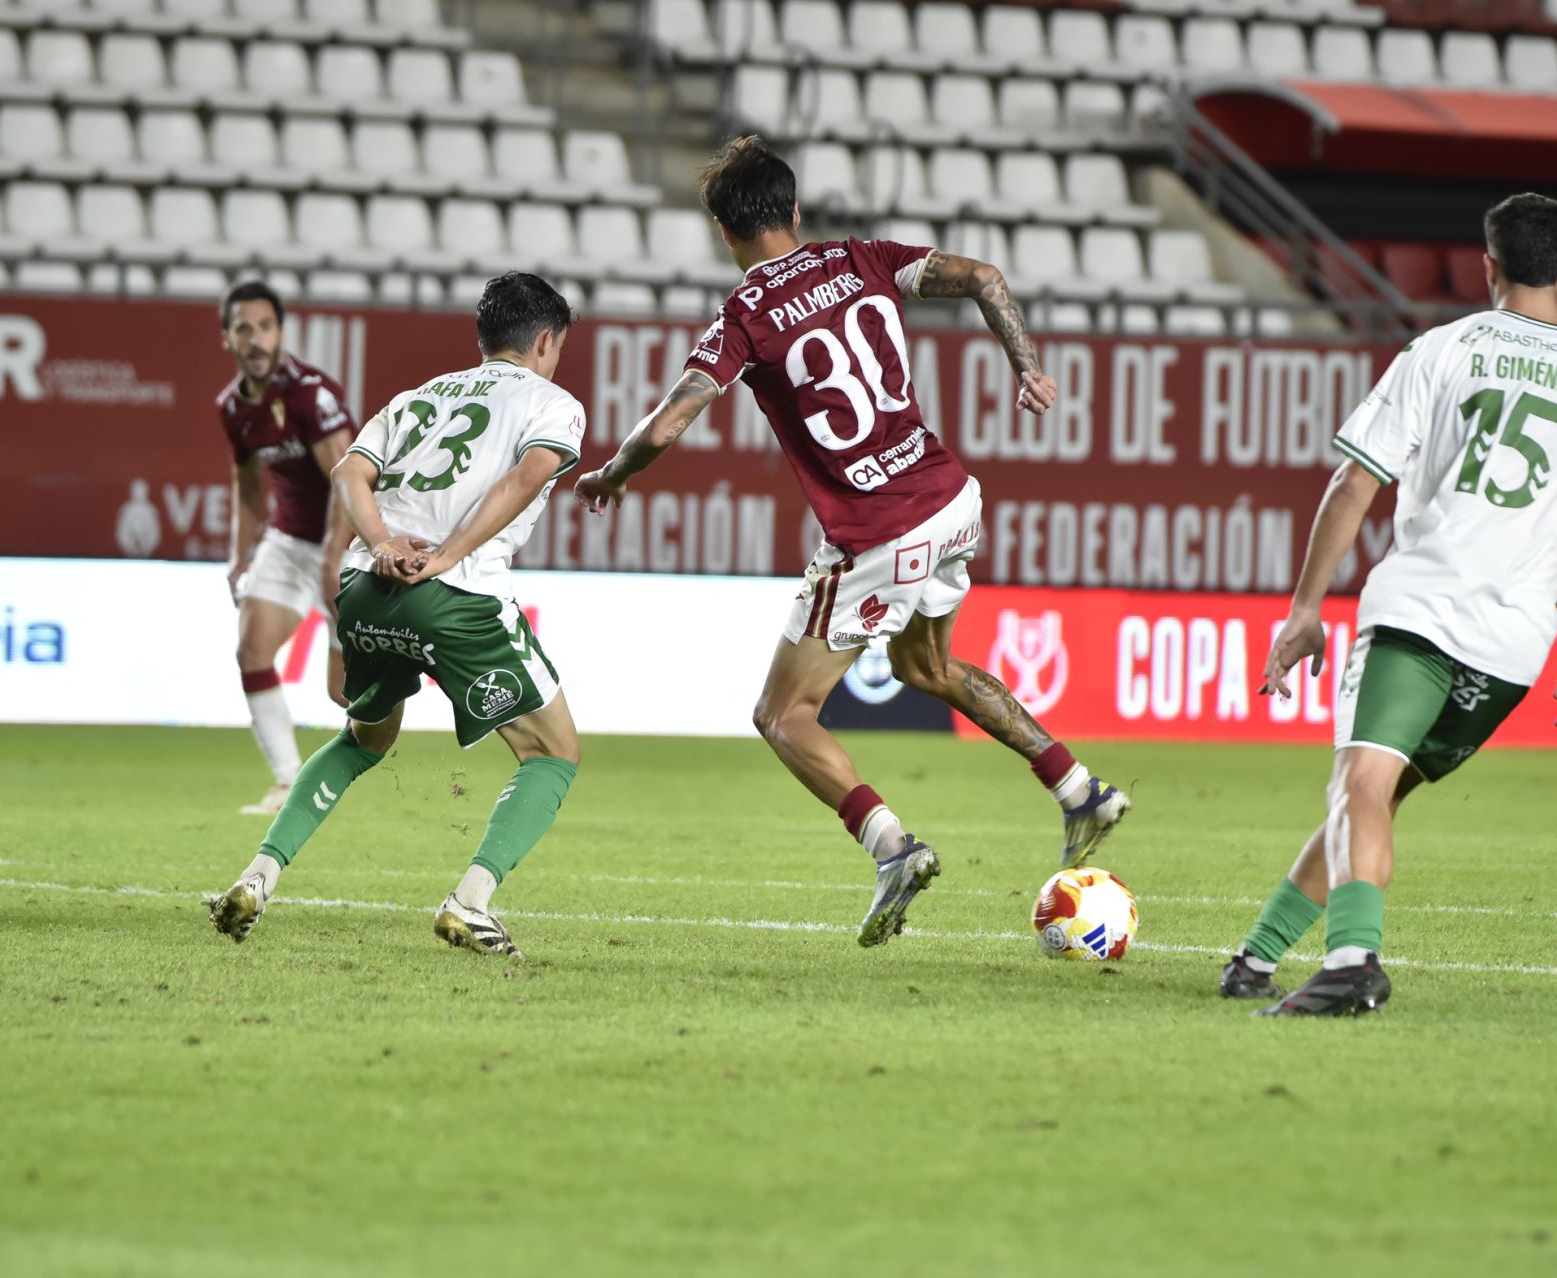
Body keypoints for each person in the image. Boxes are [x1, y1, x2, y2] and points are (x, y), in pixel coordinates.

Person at [572, 136, 1129, 948]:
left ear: (724, 232)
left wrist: (613, 474)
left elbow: (671, 419)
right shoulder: (861, 257)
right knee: (925, 666)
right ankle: (1078, 788)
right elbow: (983, 277)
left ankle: (892, 848)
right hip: (949, 499)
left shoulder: (745, 316)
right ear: (794, 212)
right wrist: (1026, 365)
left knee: (782, 713)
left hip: (877, 532)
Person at [1227, 193, 1557, 1016]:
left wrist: (1304, 609)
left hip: (1420, 612)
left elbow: (1355, 480)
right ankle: (1256, 955)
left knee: (1359, 782)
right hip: (1512, 649)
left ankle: (1354, 965)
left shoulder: (1441, 350)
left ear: (1487, 265)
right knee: (1373, 796)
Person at [208, 272, 588, 957]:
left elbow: (350, 473)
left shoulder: (419, 395)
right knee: (553, 752)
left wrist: (381, 541)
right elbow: (529, 474)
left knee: (363, 739)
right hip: (455, 594)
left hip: (366, 586)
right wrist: (448, 556)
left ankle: (257, 876)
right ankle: (469, 903)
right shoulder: (552, 401)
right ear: (544, 340)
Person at [216, 281, 356, 814]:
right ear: (227, 337)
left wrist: (333, 557)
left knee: (341, 694)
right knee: (250, 649)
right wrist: (240, 554)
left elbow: (347, 478)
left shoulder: (311, 394)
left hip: (348, 543)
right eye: (243, 329)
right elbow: (249, 484)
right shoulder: (233, 408)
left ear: (280, 332)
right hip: (291, 541)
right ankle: (288, 781)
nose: (255, 339)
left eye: (265, 327)